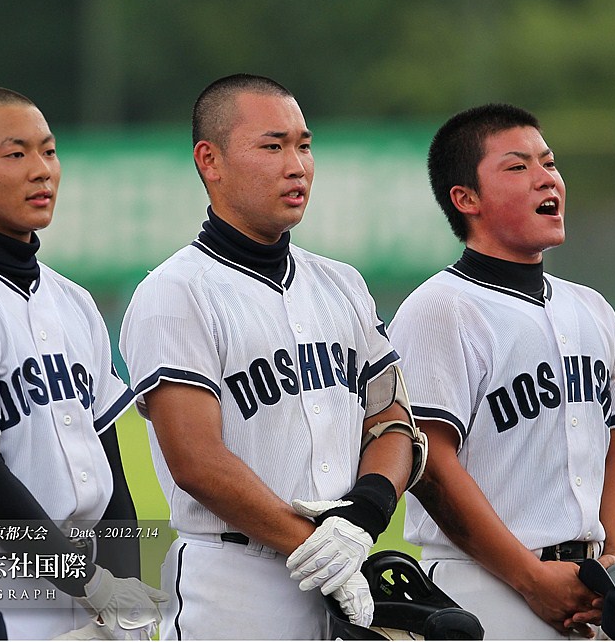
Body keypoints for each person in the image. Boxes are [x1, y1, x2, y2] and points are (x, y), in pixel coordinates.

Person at [119, 74, 425, 640]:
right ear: (209, 160)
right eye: (272, 146)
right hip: (233, 581)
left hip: (345, 572)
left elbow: (392, 420)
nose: (297, 165)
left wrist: (365, 515)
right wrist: (315, 546)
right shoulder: (176, 291)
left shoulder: (342, 284)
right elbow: (196, 461)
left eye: (304, 145)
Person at [0, 85, 166, 640]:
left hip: (89, 583)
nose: (41, 170)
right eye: (15, 154)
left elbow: (113, 471)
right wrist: (89, 582)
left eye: (48, 151)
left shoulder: (73, 301)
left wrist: (125, 594)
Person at [387, 103, 615, 639]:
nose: (545, 177)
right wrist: (531, 578)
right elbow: (430, 465)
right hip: (479, 588)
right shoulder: (440, 308)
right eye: (517, 167)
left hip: (586, 596)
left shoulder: (592, 308)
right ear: (466, 200)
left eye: (548, 162)